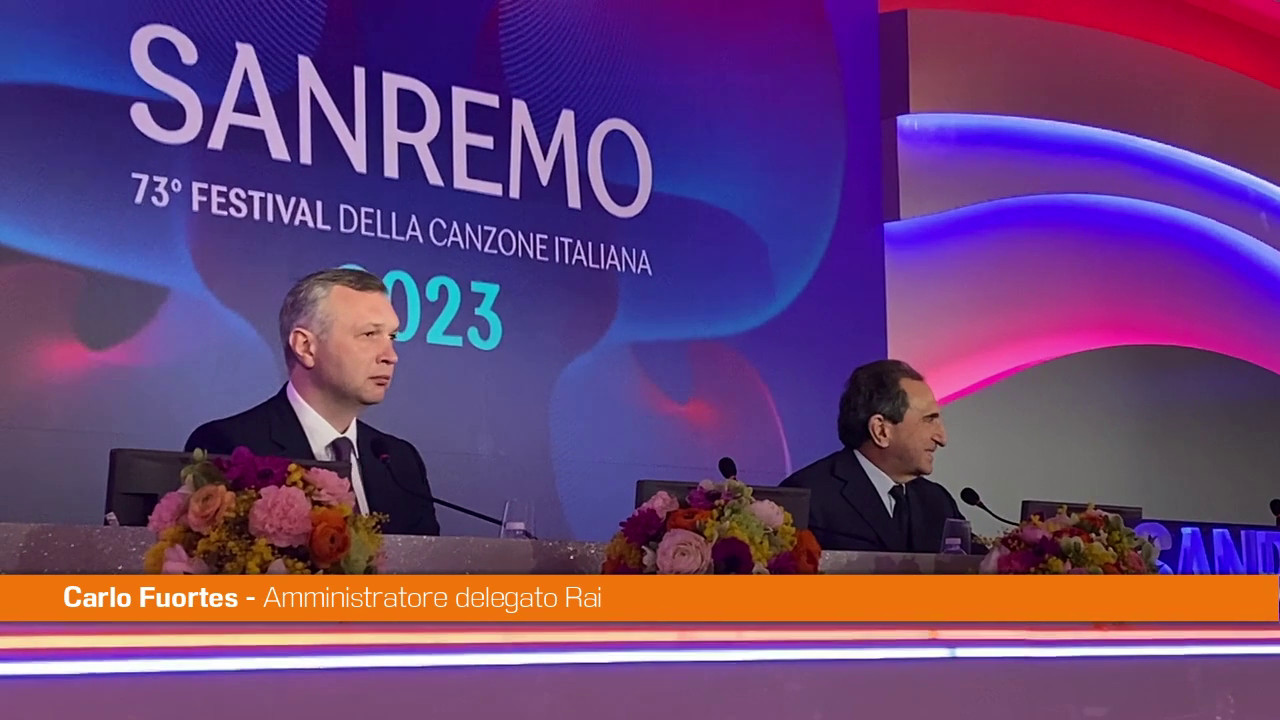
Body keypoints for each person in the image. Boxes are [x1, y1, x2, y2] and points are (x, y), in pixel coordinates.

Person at [185, 268, 440, 536]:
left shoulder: (400, 462)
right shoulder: (231, 446)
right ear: (305, 347)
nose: (391, 356)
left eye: (392, 337)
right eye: (369, 334)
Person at [780, 359, 972, 553]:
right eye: (929, 420)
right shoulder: (807, 497)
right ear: (881, 431)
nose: (942, 438)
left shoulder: (938, 501)